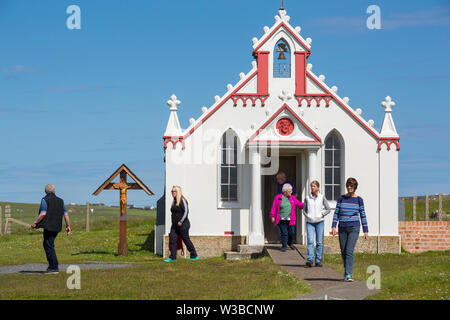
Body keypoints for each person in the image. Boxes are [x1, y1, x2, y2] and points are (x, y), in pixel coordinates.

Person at [331, 177, 369, 282]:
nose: (349, 187)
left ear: (355, 187)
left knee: (349, 250)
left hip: (354, 228)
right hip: (342, 227)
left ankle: (348, 274)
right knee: (343, 251)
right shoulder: (341, 198)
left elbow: (363, 215)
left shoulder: (359, 200)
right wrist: (334, 225)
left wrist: (366, 230)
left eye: (351, 186)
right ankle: (347, 270)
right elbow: (336, 213)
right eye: (348, 185)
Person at [31, 184, 71, 274]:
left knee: (48, 245)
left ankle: (54, 267)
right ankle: (52, 266)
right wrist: (68, 226)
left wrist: (35, 223)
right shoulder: (61, 201)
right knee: (49, 244)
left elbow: (43, 213)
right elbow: (66, 214)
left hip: (48, 227)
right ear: (54, 191)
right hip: (57, 227)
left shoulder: (45, 199)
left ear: (45, 191)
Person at [164, 186, 198, 262]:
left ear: (178, 192)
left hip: (183, 225)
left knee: (186, 240)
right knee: (172, 239)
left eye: (174, 191)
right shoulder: (174, 201)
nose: (172, 193)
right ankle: (172, 257)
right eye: (171, 191)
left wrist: (181, 221)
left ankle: (194, 255)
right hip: (174, 225)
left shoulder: (182, 200)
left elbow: (186, 211)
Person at [303, 180, 331, 267]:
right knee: (310, 241)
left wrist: (323, 214)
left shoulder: (322, 197)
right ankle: (310, 260)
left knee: (319, 242)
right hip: (310, 222)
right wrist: (306, 215)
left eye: (314, 186)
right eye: (311, 186)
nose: (312, 187)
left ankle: (318, 260)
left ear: (318, 188)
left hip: (319, 222)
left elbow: (328, 209)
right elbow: (304, 209)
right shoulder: (307, 198)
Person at [270, 183, 304, 252]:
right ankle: (284, 246)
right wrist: (272, 216)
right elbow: (274, 208)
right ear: (285, 191)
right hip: (281, 219)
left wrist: (306, 205)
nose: (291, 192)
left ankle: (290, 243)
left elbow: (299, 204)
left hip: (290, 220)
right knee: (284, 233)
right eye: (290, 191)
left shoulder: (293, 198)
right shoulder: (278, 198)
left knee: (292, 232)